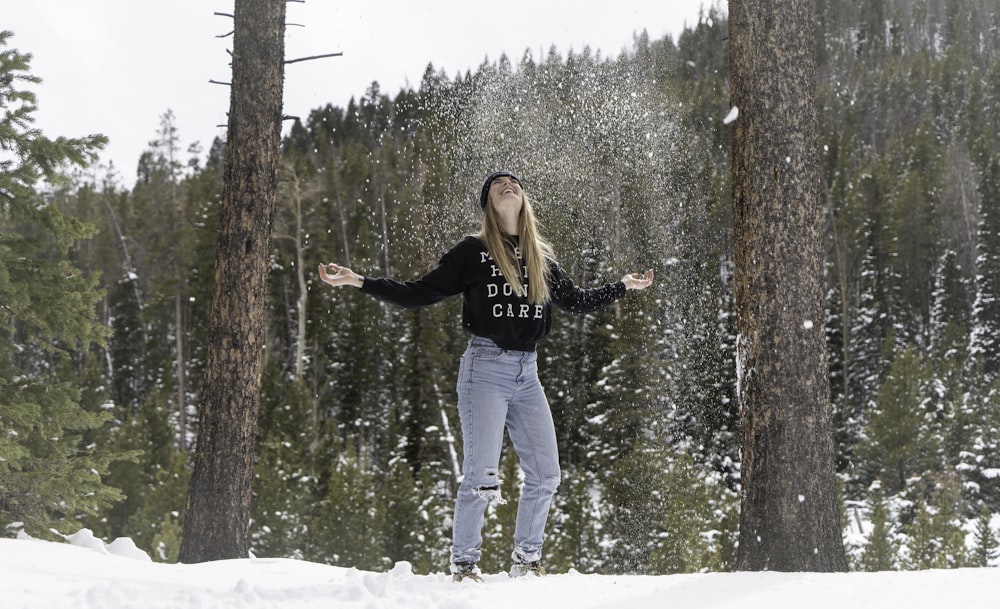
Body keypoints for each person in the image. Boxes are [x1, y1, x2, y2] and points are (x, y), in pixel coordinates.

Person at [318, 170, 654, 581]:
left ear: (523, 199)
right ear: (489, 206)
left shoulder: (540, 258)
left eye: (513, 182)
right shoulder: (472, 252)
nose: (506, 184)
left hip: (527, 373)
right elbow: (418, 293)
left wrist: (623, 286)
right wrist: (360, 281)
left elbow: (577, 302)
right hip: (485, 369)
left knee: (547, 473)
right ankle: (464, 567)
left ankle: (527, 564)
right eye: (497, 185)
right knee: (482, 476)